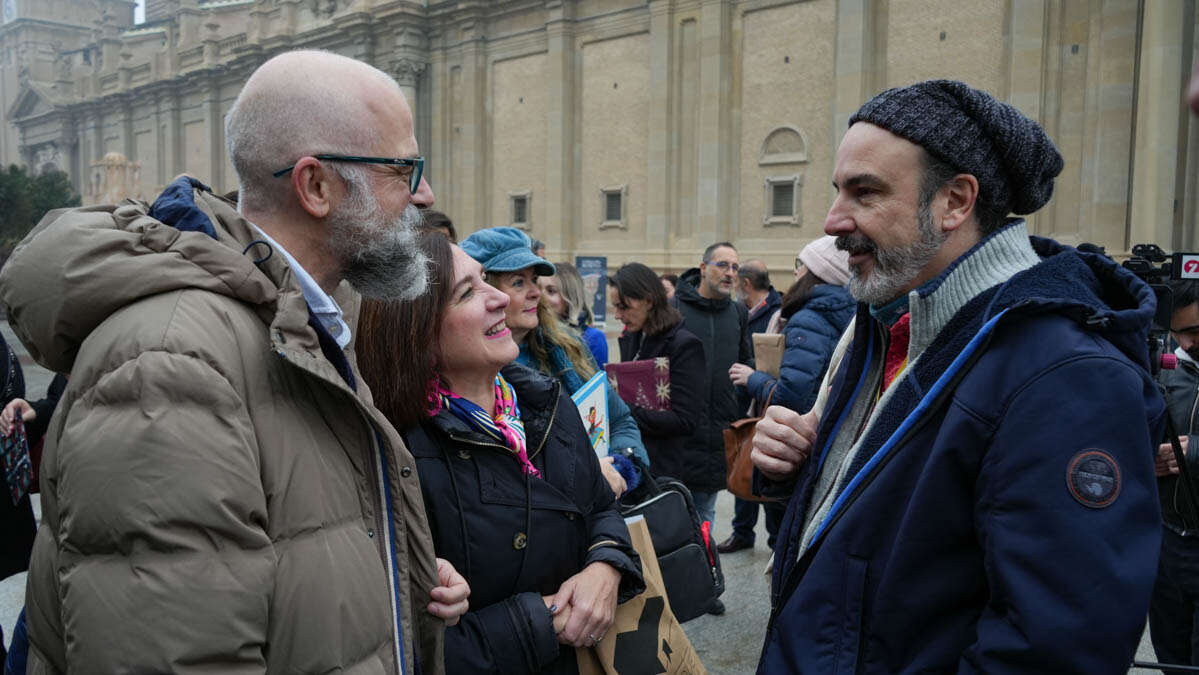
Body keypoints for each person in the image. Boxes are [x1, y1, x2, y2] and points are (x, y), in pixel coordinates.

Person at [0, 50, 470, 673]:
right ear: (316, 186)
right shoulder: (170, 364)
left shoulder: (308, 323)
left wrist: (390, 575)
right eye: (404, 169)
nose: (424, 194)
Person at [752, 80, 1163, 672]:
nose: (832, 220)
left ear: (955, 202)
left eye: (864, 192)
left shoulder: (1068, 376)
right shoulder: (885, 326)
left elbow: (1052, 652)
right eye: (837, 191)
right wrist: (804, 472)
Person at [356, 232, 643, 674]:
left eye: (488, 281)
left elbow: (601, 507)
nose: (499, 299)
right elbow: (404, 647)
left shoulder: (546, 402)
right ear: (417, 331)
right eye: (468, 291)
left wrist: (605, 567)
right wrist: (541, 620)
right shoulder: (396, 453)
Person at [460, 227, 648, 497]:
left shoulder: (569, 349)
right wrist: (589, 475)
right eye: (518, 282)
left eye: (534, 279)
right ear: (485, 292)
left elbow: (619, 421)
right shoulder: (467, 373)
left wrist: (621, 467)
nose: (536, 292)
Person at [720, 238, 853, 554]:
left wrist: (754, 379)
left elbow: (791, 397)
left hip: (797, 444)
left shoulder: (810, 317)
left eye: (801, 266)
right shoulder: (848, 311)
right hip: (829, 445)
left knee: (784, 538)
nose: (795, 274)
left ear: (815, 272)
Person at [672, 242, 753, 533]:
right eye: (722, 265)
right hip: (679, 436)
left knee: (705, 515)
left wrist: (750, 375)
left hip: (718, 434)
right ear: (703, 268)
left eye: (734, 267)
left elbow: (746, 360)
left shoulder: (738, 313)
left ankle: (704, 576)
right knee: (675, 516)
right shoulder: (675, 310)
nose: (730, 273)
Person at [608, 262, 705, 484]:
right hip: (638, 458)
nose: (617, 315)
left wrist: (623, 410)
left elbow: (685, 420)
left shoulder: (684, 345)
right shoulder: (634, 335)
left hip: (667, 469)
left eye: (623, 307)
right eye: (615, 307)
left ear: (649, 301)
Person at [717, 258, 782, 554]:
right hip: (744, 405)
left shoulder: (781, 314)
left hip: (768, 403)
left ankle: (774, 541)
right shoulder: (742, 312)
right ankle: (742, 533)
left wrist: (751, 371)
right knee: (743, 468)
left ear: (745, 284)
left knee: (767, 474)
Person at [1149, 278, 1199, 666]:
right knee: (1171, 655)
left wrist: (1195, 450)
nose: (1187, 343)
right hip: (1167, 541)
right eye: (1179, 333)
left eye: (1195, 331)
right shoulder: (1165, 372)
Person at [539, 261, 608, 366]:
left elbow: (598, 381)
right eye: (538, 289)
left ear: (570, 297)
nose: (541, 297)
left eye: (551, 291)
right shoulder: (531, 333)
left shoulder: (593, 338)